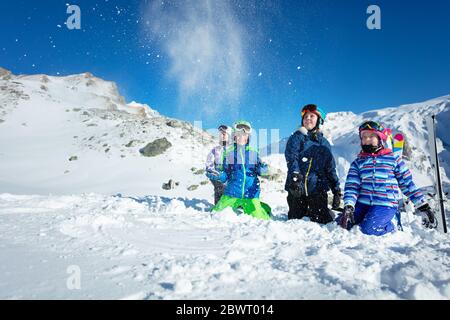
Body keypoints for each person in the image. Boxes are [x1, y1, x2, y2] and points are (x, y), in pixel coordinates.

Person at [338, 120, 437, 236]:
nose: (367, 139)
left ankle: (390, 226)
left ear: (380, 139)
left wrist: (422, 205)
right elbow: (352, 187)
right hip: (363, 203)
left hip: (385, 204)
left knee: (369, 229)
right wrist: (349, 205)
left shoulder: (393, 159)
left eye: (371, 136)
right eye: (364, 137)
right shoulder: (358, 163)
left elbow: (406, 184)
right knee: (342, 224)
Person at [284, 104, 341, 224]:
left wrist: (336, 190)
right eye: (305, 117)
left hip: (317, 189)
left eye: (312, 116)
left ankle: (322, 211)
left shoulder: (324, 143)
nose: (308, 118)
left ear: (319, 120)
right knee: (295, 220)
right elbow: (291, 157)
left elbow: (330, 168)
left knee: (322, 220)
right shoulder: (297, 137)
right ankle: (303, 210)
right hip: (297, 188)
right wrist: (295, 175)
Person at [206, 120, 272, 220]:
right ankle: (240, 204)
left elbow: (260, 169)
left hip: (250, 194)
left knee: (260, 218)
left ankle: (261, 206)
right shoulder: (228, 153)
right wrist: (219, 175)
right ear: (234, 136)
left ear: (248, 137)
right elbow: (225, 176)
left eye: (245, 135)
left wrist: (263, 170)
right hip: (232, 193)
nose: (242, 137)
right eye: (239, 134)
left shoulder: (253, 152)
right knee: (215, 213)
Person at [205, 125, 232, 204]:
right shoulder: (216, 149)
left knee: (228, 190)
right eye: (220, 134)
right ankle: (218, 207)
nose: (221, 136)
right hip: (218, 175)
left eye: (224, 134)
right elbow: (209, 161)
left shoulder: (234, 149)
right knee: (219, 188)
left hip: (229, 176)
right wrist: (211, 170)